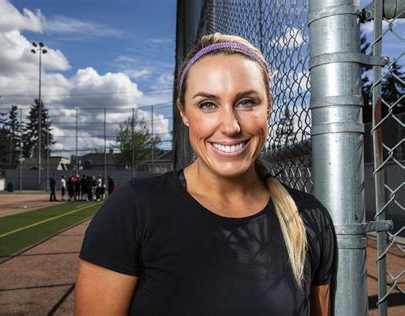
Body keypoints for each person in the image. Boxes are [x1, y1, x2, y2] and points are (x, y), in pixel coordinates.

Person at [75, 33, 335, 315]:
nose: (230, 126)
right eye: (207, 104)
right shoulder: (132, 210)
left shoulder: (308, 218)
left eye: (247, 102)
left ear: (269, 106)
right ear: (184, 112)